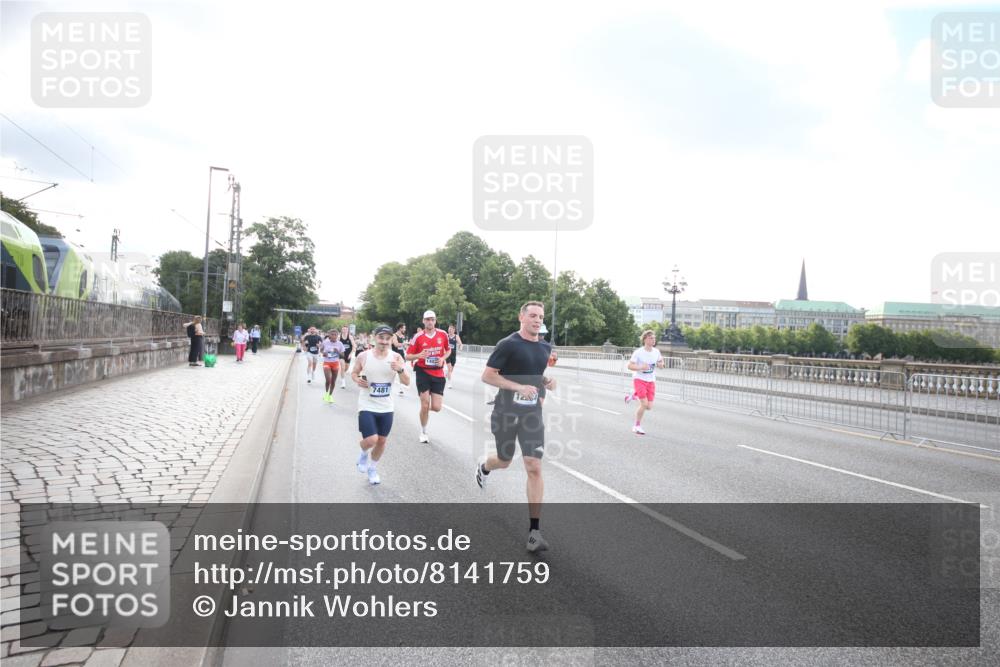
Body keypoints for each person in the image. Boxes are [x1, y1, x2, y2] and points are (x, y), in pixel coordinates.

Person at [476, 301, 556, 552]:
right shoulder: (508, 344)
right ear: (521, 317)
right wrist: (518, 387)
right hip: (505, 412)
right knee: (504, 460)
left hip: (532, 415)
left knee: (534, 466)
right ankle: (485, 466)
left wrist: (547, 382)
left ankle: (534, 532)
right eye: (532, 315)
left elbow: (535, 374)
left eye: (540, 316)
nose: (537, 320)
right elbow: (488, 375)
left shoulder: (545, 346)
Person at [352, 325, 410, 485]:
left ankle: (372, 468)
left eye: (387, 338)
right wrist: (357, 379)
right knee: (372, 439)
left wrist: (400, 370)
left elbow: (407, 382)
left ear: (391, 339)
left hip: (386, 406)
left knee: (382, 441)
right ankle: (363, 453)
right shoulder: (363, 356)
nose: (384, 341)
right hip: (367, 404)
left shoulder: (396, 357)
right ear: (374, 337)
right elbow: (354, 373)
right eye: (381, 338)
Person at [406, 310, 450, 443]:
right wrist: (418, 355)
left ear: (435, 321)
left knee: (436, 407)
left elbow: (448, 350)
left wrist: (442, 358)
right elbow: (407, 356)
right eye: (427, 319)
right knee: (425, 404)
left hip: (438, 373)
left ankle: (423, 411)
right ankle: (423, 431)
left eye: (432, 319)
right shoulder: (417, 337)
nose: (430, 322)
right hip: (423, 372)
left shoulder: (443, 334)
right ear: (423, 321)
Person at [624, 329, 665, 435]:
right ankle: (636, 426)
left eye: (654, 338)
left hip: (651, 381)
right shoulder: (638, 352)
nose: (653, 340)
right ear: (645, 339)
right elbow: (630, 366)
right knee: (644, 404)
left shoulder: (656, 352)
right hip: (639, 379)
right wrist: (640, 367)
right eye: (651, 338)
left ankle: (634, 395)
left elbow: (661, 362)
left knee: (649, 407)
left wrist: (661, 365)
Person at [320, 329, 346, 403]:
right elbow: (321, 350)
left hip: (335, 363)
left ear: (337, 336)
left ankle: (330, 395)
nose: (334, 336)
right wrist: (323, 353)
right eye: (332, 334)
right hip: (327, 362)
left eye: (335, 335)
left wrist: (337, 352)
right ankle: (326, 393)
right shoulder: (325, 342)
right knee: (328, 380)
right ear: (329, 335)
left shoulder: (340, 344)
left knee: (333, 381)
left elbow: (343, 355)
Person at [392, 323, 407, 395]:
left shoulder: (403, 336)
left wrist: (406, 346)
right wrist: (405, 343)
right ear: (400, 328)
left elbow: (404, 347)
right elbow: (396, 344)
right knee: (392, 372)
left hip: (401, 355)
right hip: (395, 356)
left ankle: (401, 389)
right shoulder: (394, 335)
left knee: (401, 371)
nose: (405, 329)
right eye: (404, 328)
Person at [445, 324, 463, 388]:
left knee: (451, 370)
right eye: (448, 329)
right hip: (447, 354)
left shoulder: (456, 336)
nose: (449, 330)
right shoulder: (446, 336)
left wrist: (460, 348)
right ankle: (449, 383)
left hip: (453, 354)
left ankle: (446, 374)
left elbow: (460, 344)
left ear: (453, 330)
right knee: (449, 369)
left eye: (451, 329)